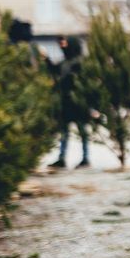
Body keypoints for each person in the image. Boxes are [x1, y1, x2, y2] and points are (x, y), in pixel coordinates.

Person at [49, 35, 90, 169]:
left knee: (82, 131)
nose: (62, 46)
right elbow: (55, 71)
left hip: (78, 102)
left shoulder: (79, 62)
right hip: (66, 102)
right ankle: (62, 158)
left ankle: (85, 158)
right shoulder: (64, 62)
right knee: (64, 131)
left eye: (64, 43)